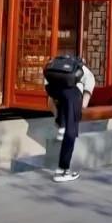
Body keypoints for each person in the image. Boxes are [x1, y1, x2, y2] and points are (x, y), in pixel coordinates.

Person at [44, 55, 95, 183]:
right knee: (71, 133)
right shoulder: (81, 67)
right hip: (72, 95)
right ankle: (62, 171)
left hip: (52, 91)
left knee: (61, 104)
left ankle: (61, 126)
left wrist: (57, 117)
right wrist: (83, 105)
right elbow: (90, 82)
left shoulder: (55, 64)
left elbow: (48, 91)